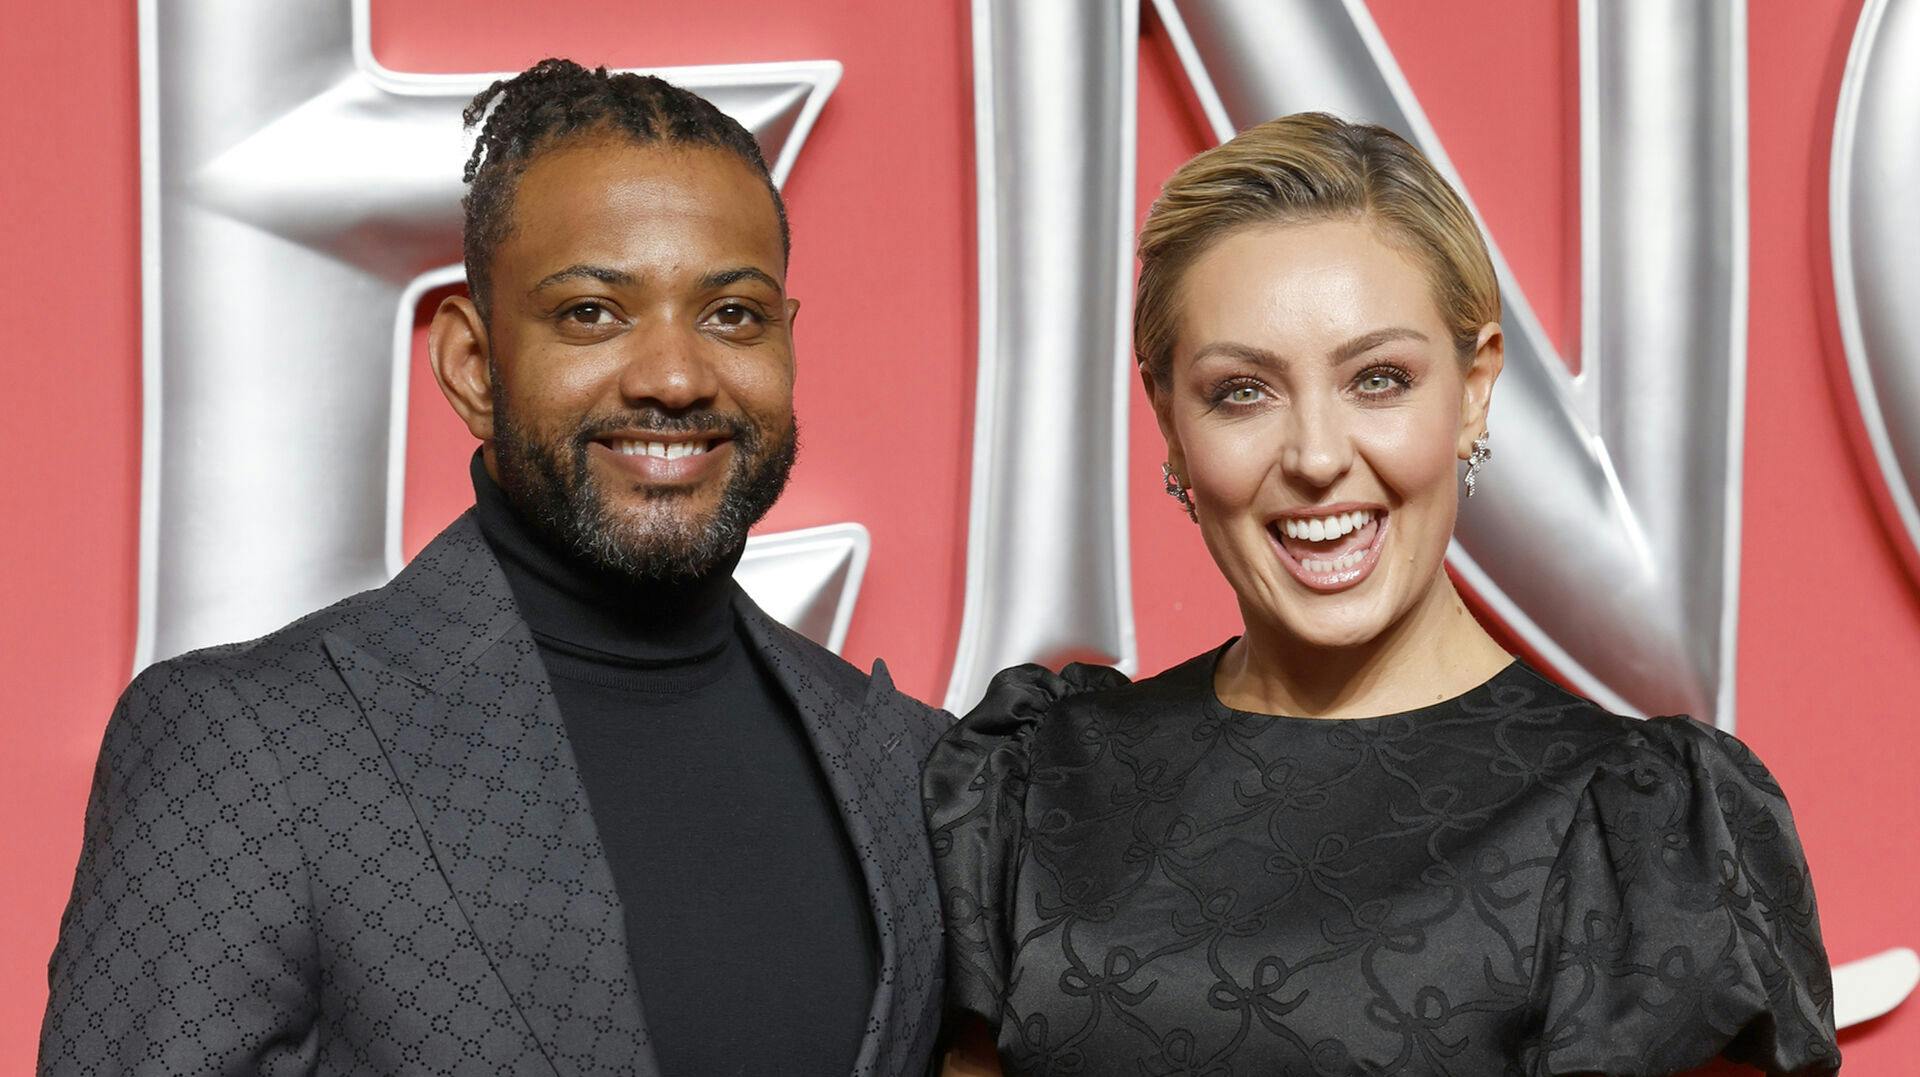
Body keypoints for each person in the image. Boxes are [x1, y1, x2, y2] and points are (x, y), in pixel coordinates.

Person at [41, 60, 946, 1077]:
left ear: (785, 343)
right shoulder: (247, 751)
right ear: (474, 367)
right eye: (591, 313)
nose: (677, 377)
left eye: (731, 313)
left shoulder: (910, 767)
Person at [925, 113, 1837, 1076]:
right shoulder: (1040, 775)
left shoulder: (1639, 829)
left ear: (1476, 388)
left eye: (1379, 379)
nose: (1317, 456)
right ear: (1169, 420)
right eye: (1242, 391)